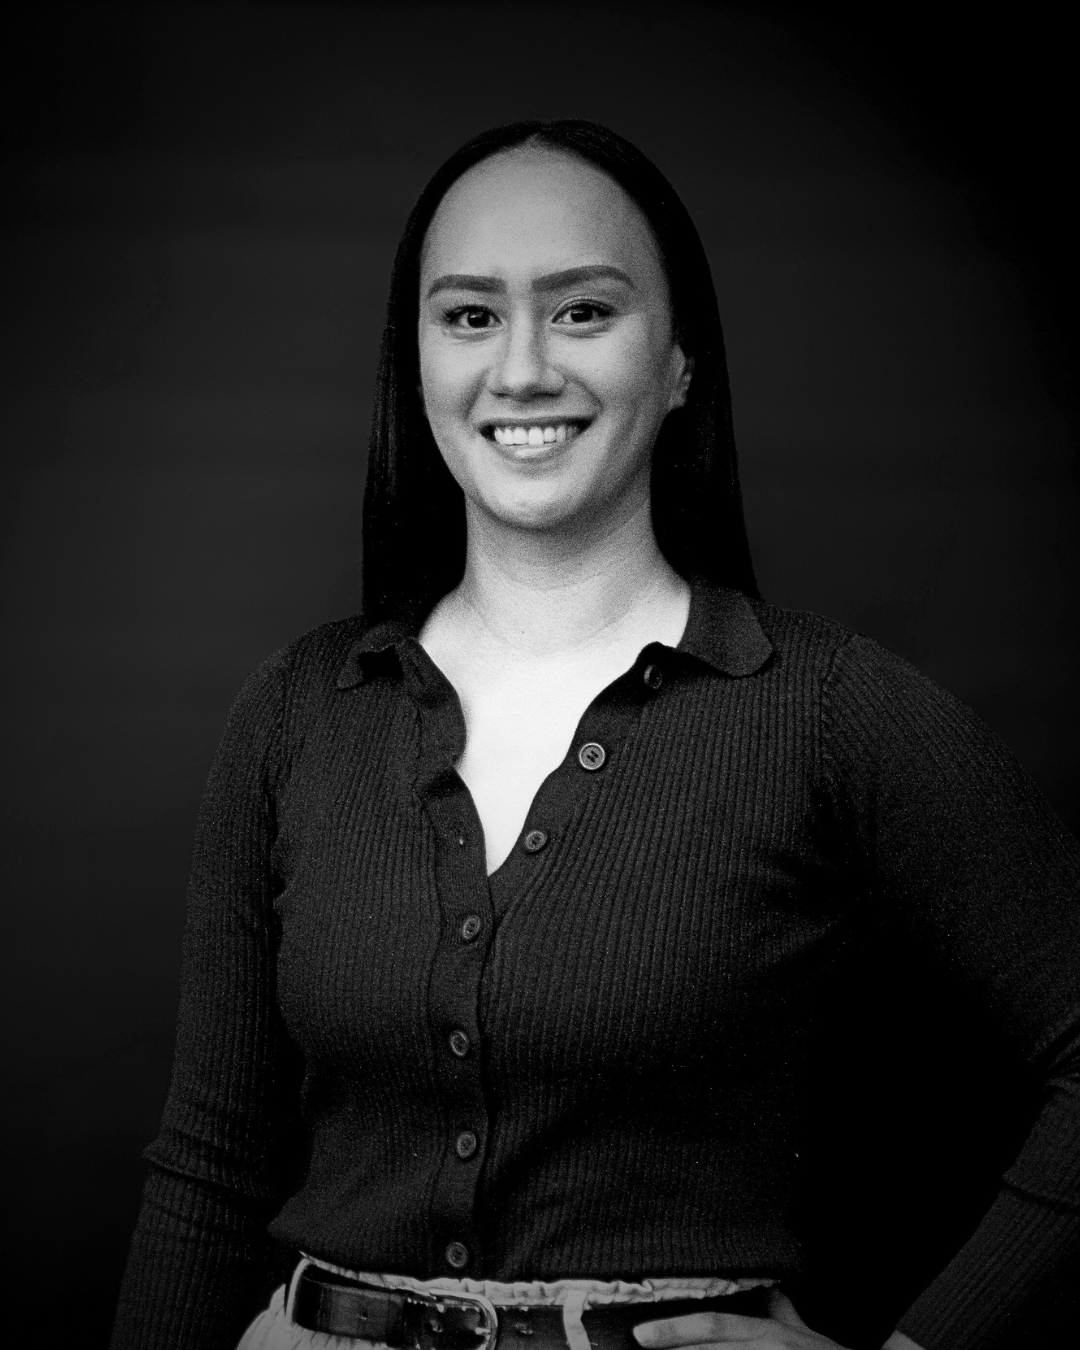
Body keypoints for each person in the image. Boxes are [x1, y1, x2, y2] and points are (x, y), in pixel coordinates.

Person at [110, 120, 1080, 1350]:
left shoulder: (825, 712)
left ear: (680, 363)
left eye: (582, 312)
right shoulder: (302, 709)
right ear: (414, 363)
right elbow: (207, 1168)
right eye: (469, 316)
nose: (520, 370)